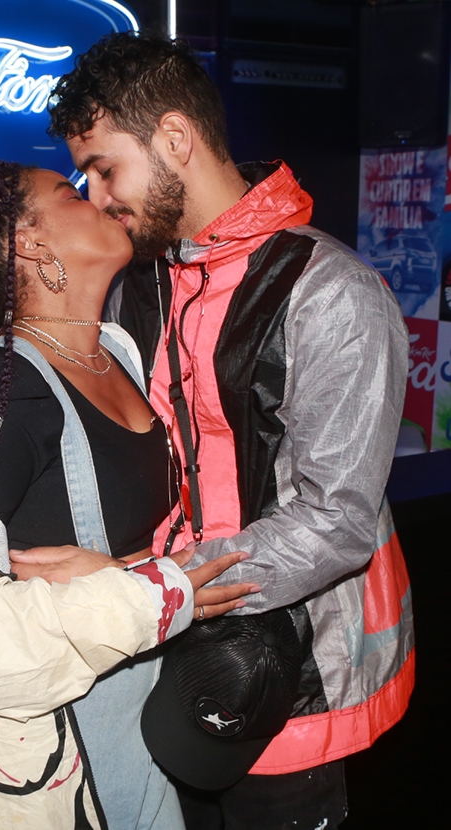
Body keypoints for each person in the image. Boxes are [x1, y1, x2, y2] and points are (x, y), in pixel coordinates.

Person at [48, 32, 413, 829]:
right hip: (163, 643)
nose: (97, 196)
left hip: (293, 665)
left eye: (105, 168)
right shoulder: (140, 282)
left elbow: (335, 521)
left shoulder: (331, 293)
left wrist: (150, 586)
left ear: (174, 138)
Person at [0, 154, 254, 829]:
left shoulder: (117, 352)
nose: (99, 197)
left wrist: (130, 575)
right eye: (71, 193)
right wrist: (146, 594)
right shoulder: (2, 393)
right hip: (37, 768)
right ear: (28, 241)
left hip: (134, 731)